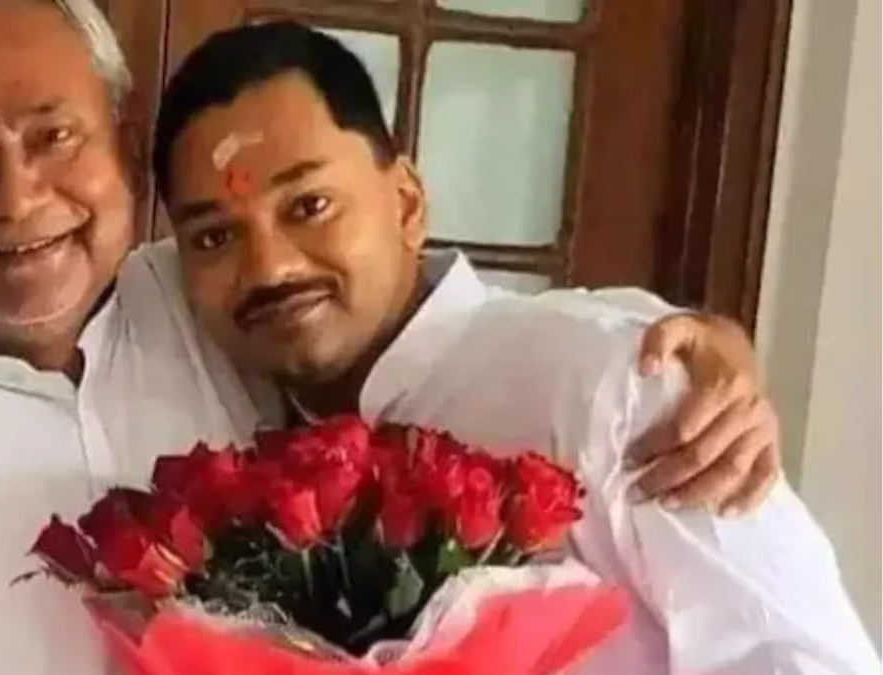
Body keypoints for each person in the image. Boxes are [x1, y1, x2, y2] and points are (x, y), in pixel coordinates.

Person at [0, 2, 783, 674]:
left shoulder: (208, 302)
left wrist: (664, 340)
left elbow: (405, 313)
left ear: (122, 148)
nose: (18, 197)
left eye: (54, 136)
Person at [140, 21, 879, 673]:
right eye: (214, 236)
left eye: (310, 205)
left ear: (406, 203)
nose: (269, 267)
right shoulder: (237, 432)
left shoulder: (611, 383)